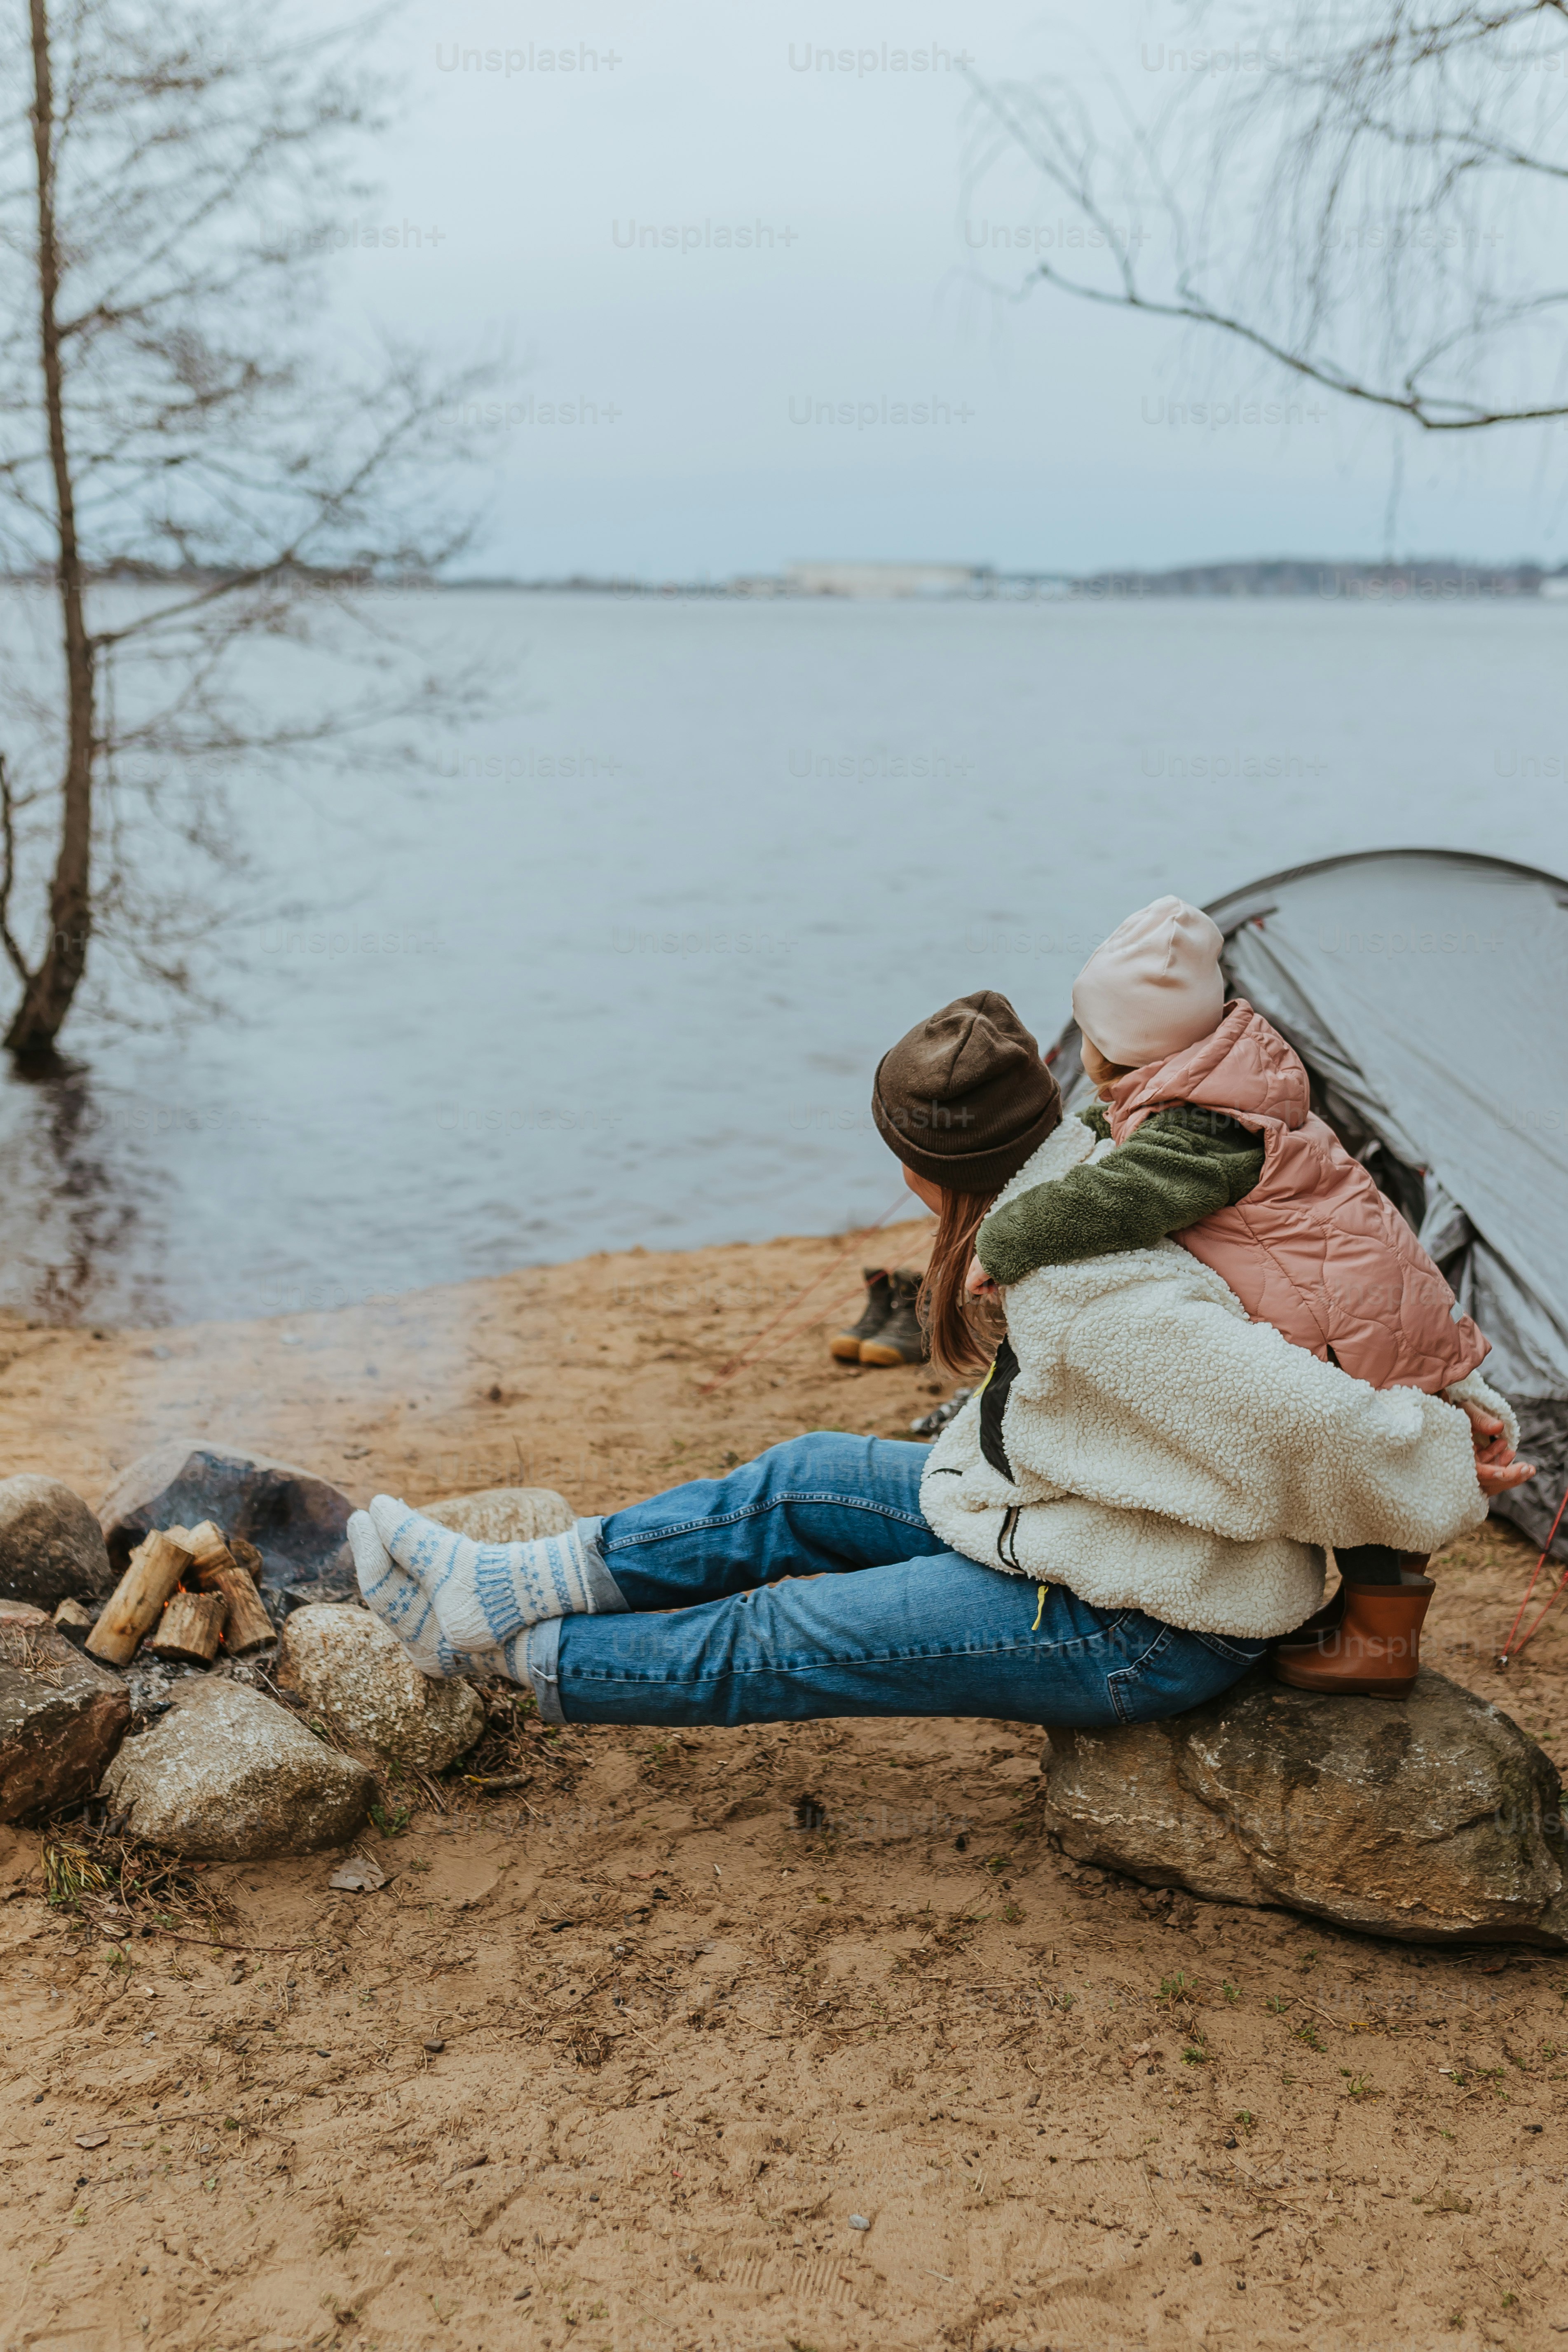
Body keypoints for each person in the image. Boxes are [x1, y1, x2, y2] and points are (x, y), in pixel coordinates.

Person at [351, 991, 1519, 1729]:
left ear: (920, 1168)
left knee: (786, 1638)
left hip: (1142, 1621)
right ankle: (496, 1588)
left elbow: (1292, 1426)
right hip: (1076, 1522)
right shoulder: (1074, 1175)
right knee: (798, 1478)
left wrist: (1435, 1454)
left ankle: (522, 1663)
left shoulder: (1080, 1284)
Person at [960, 898, 1532, 1689]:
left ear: (1120, 1047)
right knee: (1373, 1481)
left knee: (1369, 1489)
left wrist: (1005, 1239)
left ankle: (1380, 1644)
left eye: (1088, 1033)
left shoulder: (1204, 1130)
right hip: (1368, 1295)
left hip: (1343, 1324)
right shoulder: (1228, 1080)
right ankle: (1365, 1618)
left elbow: (1125, 1195)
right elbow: (1127, 1140)